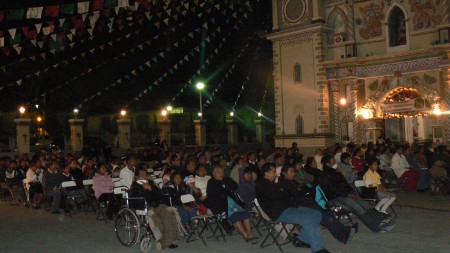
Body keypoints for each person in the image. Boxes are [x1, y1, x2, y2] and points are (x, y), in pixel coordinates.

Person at [256, 163, 330, 253]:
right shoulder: (261, 184)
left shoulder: (271, 184)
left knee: (317, 214)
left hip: (288, 207)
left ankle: (301, 239)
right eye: (273, 172)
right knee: (309, 218)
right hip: (279, 212)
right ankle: (318, 249)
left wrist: (283, 192)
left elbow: (284, 194)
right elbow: (277, 195)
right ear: (266, 173)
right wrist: (282, 192)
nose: (276, 174)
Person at [277, 164, 356, 244]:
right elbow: (296, 194)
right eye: (291, 172)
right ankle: (342, 235)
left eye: (293, 171)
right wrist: (300, 189)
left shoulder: (291, 181)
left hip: (306, 201)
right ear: (284, 173)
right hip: (300, 205)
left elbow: (305, 189)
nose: (293, 174)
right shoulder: (282, 184)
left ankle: (343, 231)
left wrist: (301, 189)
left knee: (327, 213)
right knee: (324, 216)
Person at [317, 154, 395, 233]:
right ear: (327, 164)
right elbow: (332, 189)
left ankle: (380, 220)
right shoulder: (324, 175)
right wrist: (348, 194)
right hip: (336, 197)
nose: (335, 163)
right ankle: (376, 226)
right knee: (358, 208)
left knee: (365, 204)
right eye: (333, 162)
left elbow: (346, 184)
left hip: (346, 194)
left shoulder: (336, 173)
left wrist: (352, 192)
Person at [130, 168, 180, 250]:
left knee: (168, 215)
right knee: (157, 221)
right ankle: (161, 240)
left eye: (145, 175)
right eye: (141, 175)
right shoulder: (135, 186)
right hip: (145, 207)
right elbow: (137, 199)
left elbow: (159, 193)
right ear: (137, 177)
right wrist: (145, 189)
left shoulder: (150, 183)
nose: (144, 177)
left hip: (156, 205)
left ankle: (169, 240)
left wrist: (151, 188)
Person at [207, 167, 257, 243]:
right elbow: (217, 192)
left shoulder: (227, 179)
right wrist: (226, 189)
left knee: (246, 214)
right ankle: (245, 235)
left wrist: (225, 188)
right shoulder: (211, 182)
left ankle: (250, 234)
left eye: (222, 172)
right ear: (214, 174)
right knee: (235, 216)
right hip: (221, 205)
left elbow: (235, 186)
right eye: (218, 172)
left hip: (233, 202)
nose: (221, 174)